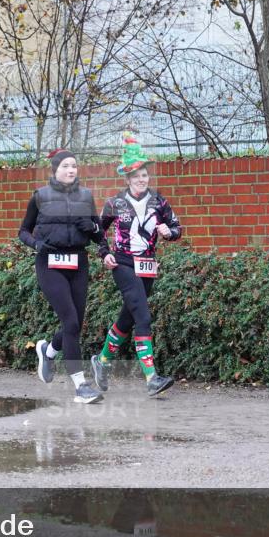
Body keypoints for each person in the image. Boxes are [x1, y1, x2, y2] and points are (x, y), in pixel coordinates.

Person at [91, 134, 181, 396]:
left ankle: (103, 361)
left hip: (148, 266)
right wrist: (104, 253)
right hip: (123, 263)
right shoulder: (115, 203)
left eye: (145, 175)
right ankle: (151, 377)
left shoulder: (158, 202)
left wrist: (169, 232)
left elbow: (177, 228)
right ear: (128, 179)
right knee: (142, 315)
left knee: (128, 317)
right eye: (137, 176)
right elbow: (98, 230)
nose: (142, 179)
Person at [19, 149, 108, 404]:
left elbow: (99, 234)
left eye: (74, 166)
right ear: (55, 169)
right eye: (66, 166)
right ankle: (81, 386)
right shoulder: (40, 196)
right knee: (69, 321)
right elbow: (23, 231)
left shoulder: (86, 196)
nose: (71, 170)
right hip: (50, 263)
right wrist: (36, 245)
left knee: (75, 325)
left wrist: (90, 227)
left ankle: (47, 351)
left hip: (78, 262)